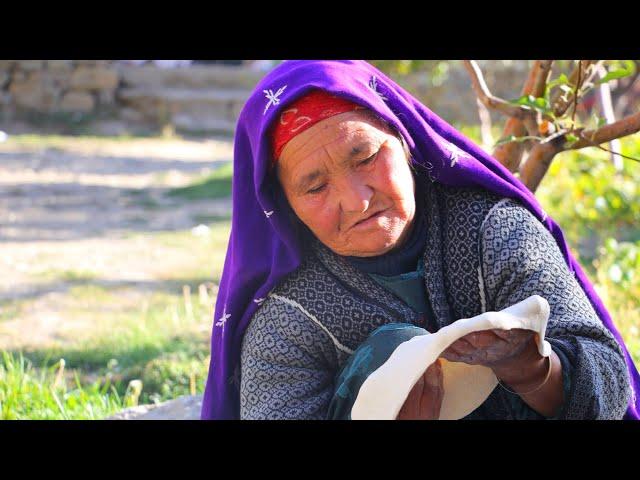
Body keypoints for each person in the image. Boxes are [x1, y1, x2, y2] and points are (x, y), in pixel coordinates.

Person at [201, 60, 639, 420]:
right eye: (315, 188)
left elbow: (610, 381)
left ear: (405, 142)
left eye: (367, 157)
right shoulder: (288, 315)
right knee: (390, 352)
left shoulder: (493, 229)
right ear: (284, 204)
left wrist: (537, 372)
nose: (356, 201)